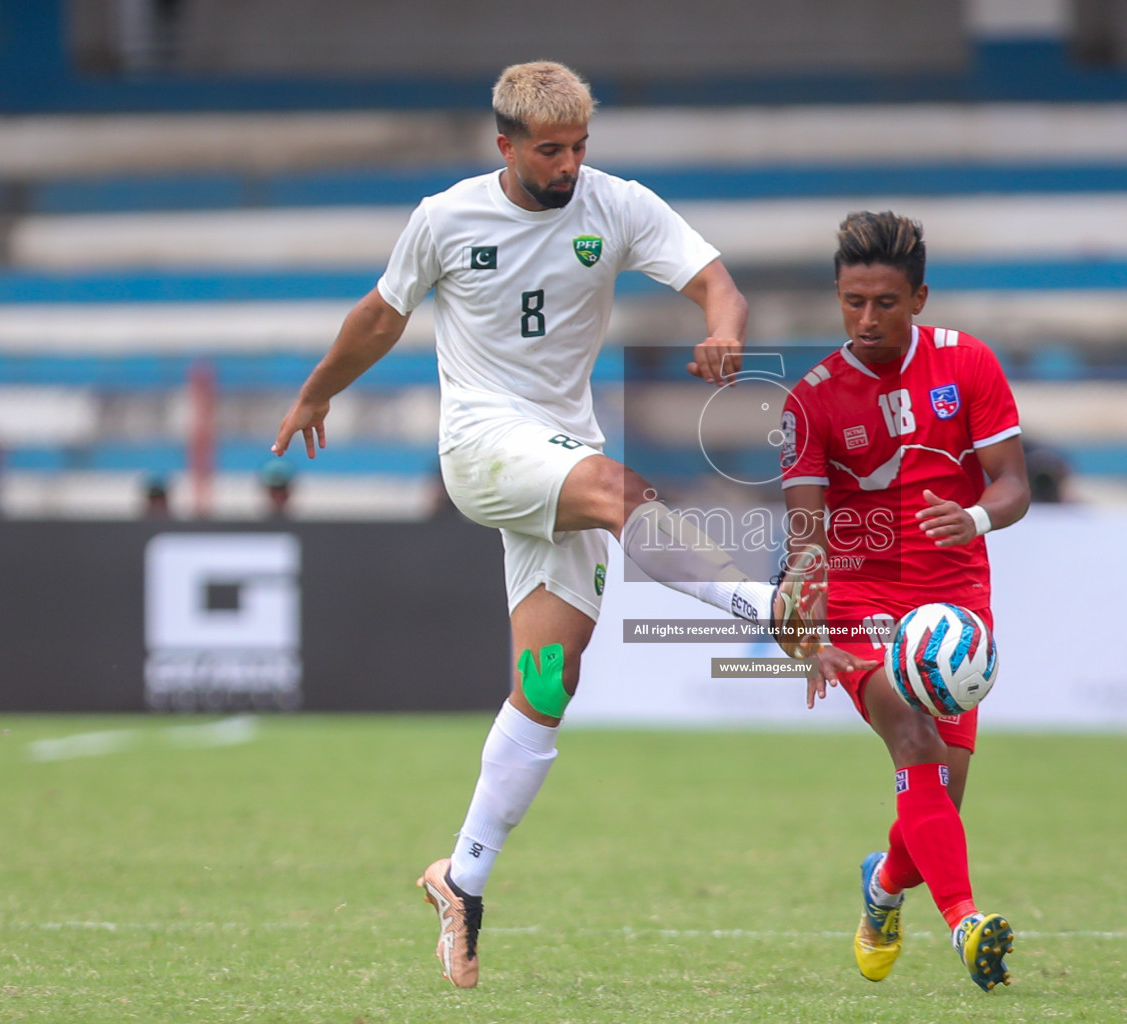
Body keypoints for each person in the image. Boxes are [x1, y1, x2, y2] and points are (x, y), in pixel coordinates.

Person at [270, 61, 822, 989]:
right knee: (622, 492)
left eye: (578, 148)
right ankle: (764, 607)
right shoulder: (444, 219)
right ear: (506, 147)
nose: (568, 166)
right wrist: (316, 392)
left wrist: (723, 327)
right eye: (550, 151)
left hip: (562, 450)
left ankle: (463, 878)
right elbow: (378, 317)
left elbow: (717, 282)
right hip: (485, 447)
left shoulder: (614, 205)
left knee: (547, 677)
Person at [779, 211, 1030, 992]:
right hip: (863, 599)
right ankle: (967, 924)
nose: (866, 318)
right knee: (914, 741)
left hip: (955, 603)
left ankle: (884, 886)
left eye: (885, 302)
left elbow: (1015, 486)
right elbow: (808, 540)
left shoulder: (969, 364)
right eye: (852, 301)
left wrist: (976, 516)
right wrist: (813, 629)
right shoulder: (810, 401)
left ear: (919, 298)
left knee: (939, 806)